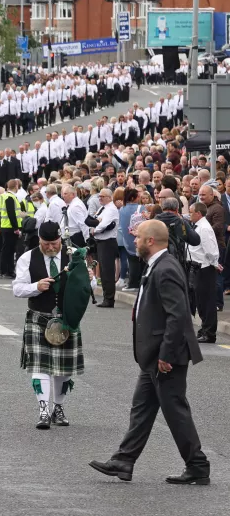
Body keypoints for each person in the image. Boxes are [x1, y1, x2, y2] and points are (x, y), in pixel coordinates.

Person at [90, 220, 208, 486]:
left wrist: (166, 355)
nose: (134, 241)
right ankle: (123, 460)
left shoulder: (165, 268)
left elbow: (177, 316)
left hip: (166, 356)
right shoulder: (157, 265)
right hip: (153, 356)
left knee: (175, 411)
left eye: (138, 237)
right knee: (141, 410)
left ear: (151, 241)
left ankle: (198, 465)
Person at [12, 222, 87, 429]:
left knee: (63, 370)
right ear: (39, 240)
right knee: (40, 366)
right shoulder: (28, 258)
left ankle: (59, 407)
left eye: (55, 243)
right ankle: (43, 410)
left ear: (60, 240)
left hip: (67, 319)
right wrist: (36, 287)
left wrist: (88, 279)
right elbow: (17, 289)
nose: (51, 248)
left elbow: (89, 287)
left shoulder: (74, 256)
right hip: (39, 317)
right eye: (46, 244)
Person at [187, 203, 220, 344]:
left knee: (207, 302)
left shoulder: (205, 228)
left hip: (205, 268)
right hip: (196, 267)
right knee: (200, 301)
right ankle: (204, 330)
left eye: (191, 212)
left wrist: (214, 263)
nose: (189, 215)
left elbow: (210, 249)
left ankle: (209, 333)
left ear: (198, 214)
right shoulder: (197, 226)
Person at [90, 188, 120, 308]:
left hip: (108, 241)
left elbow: (103, 224)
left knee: (107, 271)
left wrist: (94, 231)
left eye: (102, 196)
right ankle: (106, 297)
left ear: (109, 197)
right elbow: (95, 220)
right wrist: (94, 226)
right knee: (103, 270)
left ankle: (109, 299)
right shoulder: (103, 208)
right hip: (101, 241)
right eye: (99, 196)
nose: (100, 198)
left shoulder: (111, 209)